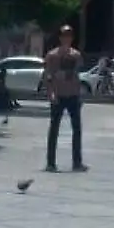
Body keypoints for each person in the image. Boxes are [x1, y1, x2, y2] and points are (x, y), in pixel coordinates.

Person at [43, 25, 87, 172]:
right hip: (58, 94)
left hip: (73, 95)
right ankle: (50, 162)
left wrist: (80, 94)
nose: (66, 38)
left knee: (77, 129)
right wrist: (51, 93)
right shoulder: (52, 55)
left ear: (72, 38)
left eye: (69, 36)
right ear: (60, 38)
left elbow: (78, 75)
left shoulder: (76, 55)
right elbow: (48, 76)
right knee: (54, 129)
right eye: (64, 36)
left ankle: (77, 162)